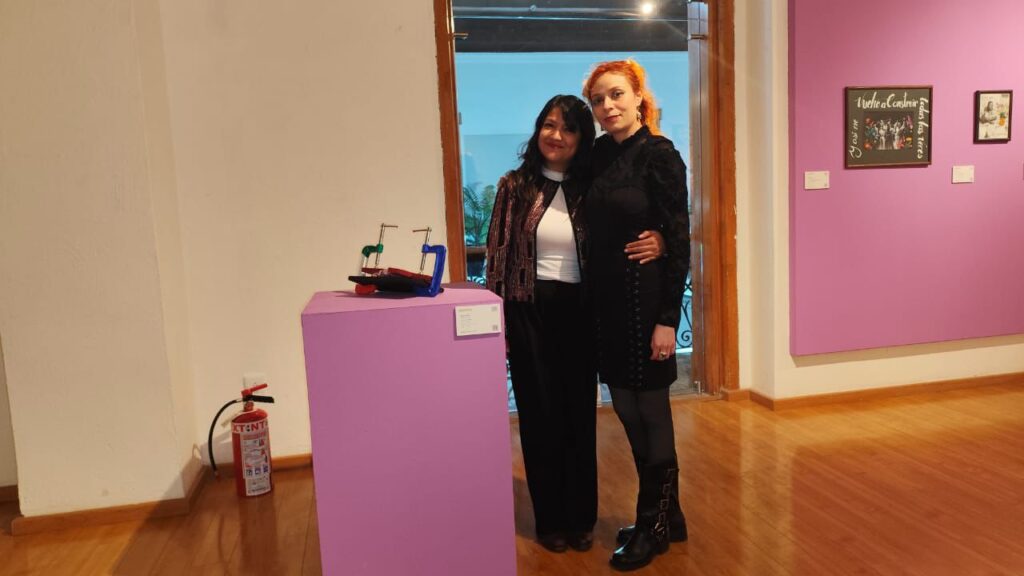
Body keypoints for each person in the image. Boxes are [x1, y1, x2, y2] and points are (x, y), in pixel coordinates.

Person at [485, 95, 663, 554]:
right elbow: (497, 258)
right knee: (539, 416)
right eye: (549, 125)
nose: (556, 135)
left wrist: (661, 239)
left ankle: (581, 517)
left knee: (579, 415)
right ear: (537, 130)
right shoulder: (514, 186)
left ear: (582, 139)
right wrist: (498, 324)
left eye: (568, 128)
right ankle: (551, 520)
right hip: (528, 310)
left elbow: (630, 225)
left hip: (582, 312)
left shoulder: (592, 187)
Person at [582, 59, 691, 571]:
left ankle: (652, 524)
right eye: (598, 99)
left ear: (638, 96)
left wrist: (668, 319)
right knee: (626, 409)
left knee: (651, 412)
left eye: (617, 94)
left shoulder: (660, 155)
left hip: (646, 303)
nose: (608, 106)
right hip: (608, 305)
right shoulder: (598, 155)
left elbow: (680, 239)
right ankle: (670, 514)